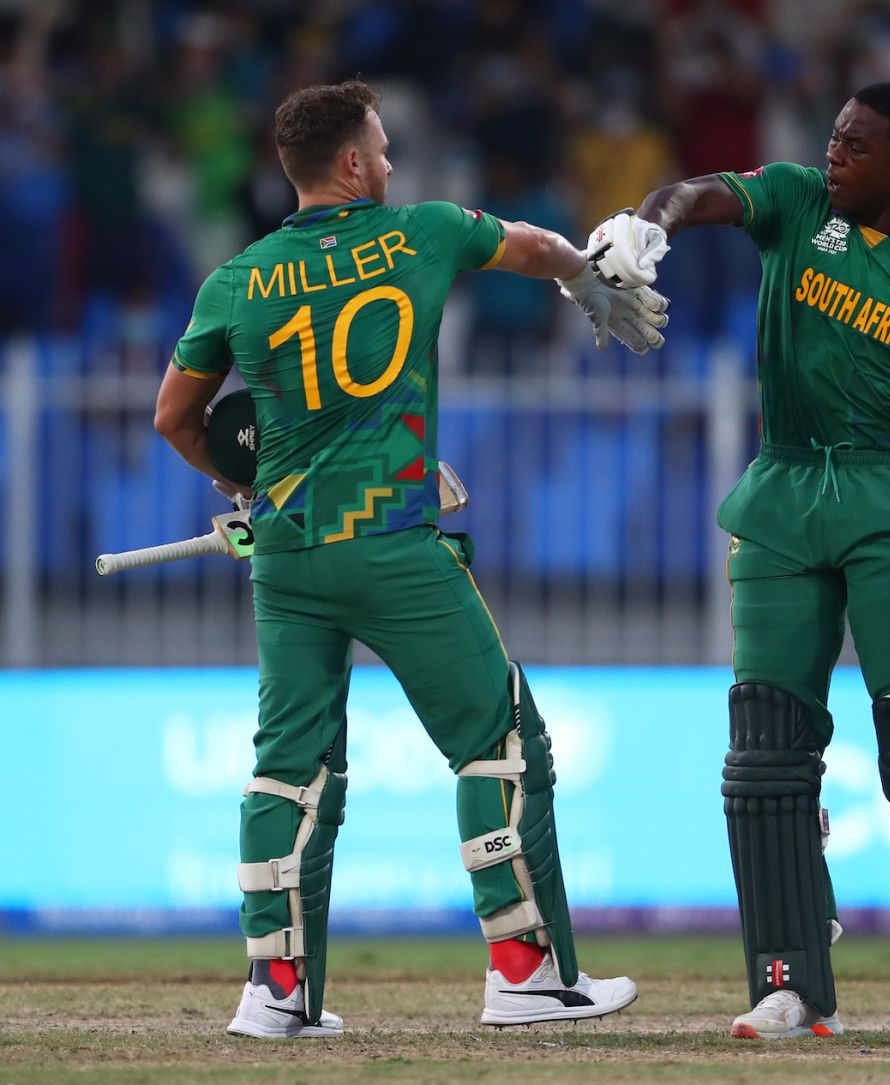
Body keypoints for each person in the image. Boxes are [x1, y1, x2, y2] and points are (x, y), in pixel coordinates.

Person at [153, 79, 667, 1039]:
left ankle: (274, 992)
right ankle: (525, 971)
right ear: (351, 163)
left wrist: (244, 494)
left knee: (289, 772)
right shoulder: (425, 231)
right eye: (382, 149)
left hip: (292, 558)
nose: (391, 163)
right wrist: (585, 278)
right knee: (501, 740)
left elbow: (177, 418)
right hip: (393, 544)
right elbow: (529, 244)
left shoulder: (235, 280)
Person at [585, 81, 890, 1037]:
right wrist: (648, 224)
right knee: (764, 757)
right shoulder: (799, 203)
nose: (832, 156)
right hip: (783, 498)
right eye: (833, 138)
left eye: (856, 146)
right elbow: (705, 192)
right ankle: (789, 980)